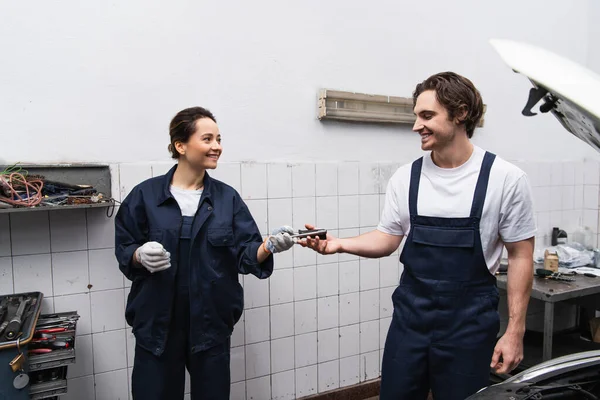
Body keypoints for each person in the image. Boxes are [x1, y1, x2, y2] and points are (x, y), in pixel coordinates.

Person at [301, 72, 536, 400]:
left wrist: (515, 330)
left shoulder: (505, 179)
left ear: (461, 113)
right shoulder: (406, 178)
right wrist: (340, 244)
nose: (416, 126)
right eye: (416, 116)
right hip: (410, 322)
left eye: (427, 116)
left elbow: (521, 255)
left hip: (468, 326)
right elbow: (388, 237)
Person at [114, 106, 294, 400]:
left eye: (219, 139)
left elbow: (245, 253)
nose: (217, 147)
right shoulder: (145, 196)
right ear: (181, 146)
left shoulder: (227, 199)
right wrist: (138, 255)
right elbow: (125, 248)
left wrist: (269, 246)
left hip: (210, 326)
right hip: (157, 327)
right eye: (208, 139)